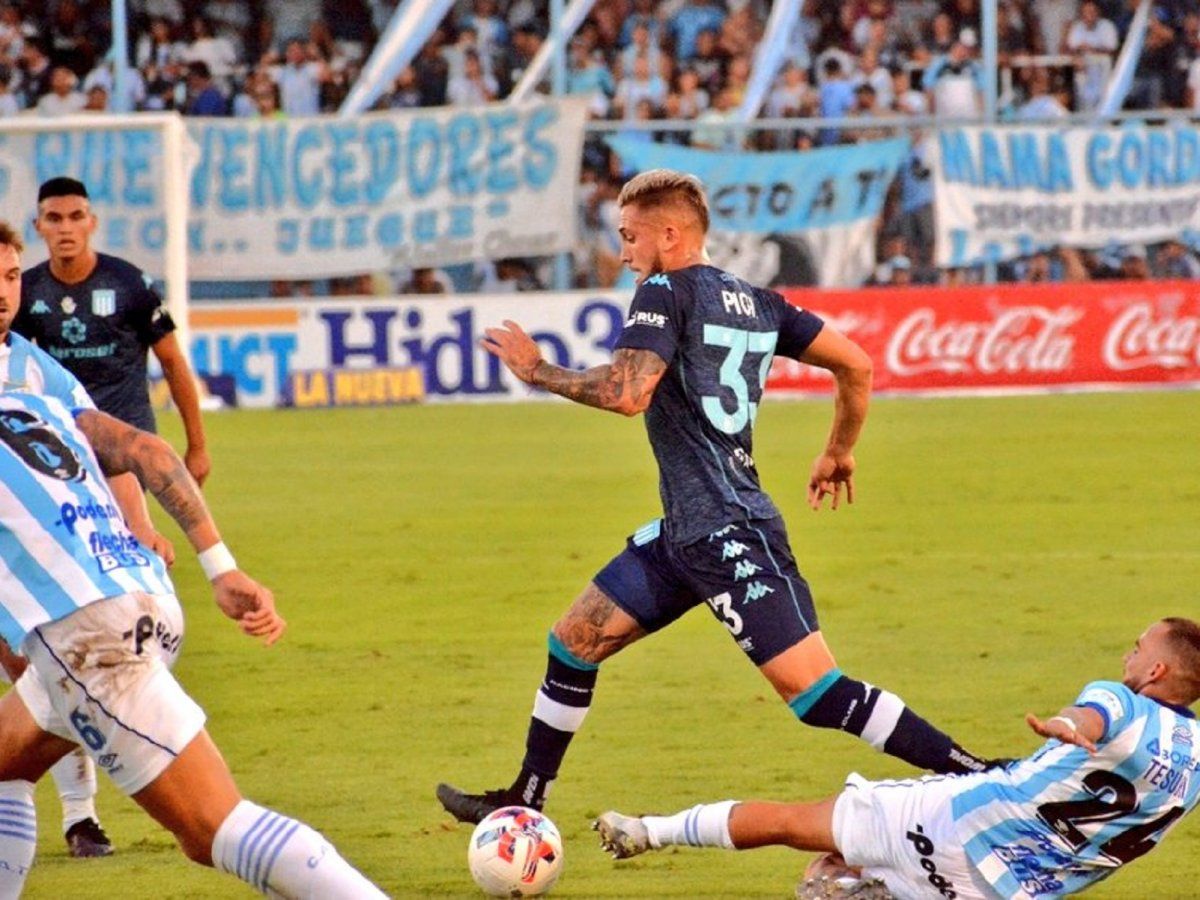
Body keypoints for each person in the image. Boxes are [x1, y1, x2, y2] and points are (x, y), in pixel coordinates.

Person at [437, 169, 993, 826]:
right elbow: (857, 364)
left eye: (629, 236)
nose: (623, 253)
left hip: (728, 532)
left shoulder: (662, 291)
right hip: (687, 532)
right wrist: (839, 449)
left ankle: (988, 777)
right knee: (574, 640)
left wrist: (537, 370)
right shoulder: (761, 301)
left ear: (669, 234)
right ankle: (524, 798)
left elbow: (627, 392)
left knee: (816, 695)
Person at [0, 275, 386, 897]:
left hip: (89, 637)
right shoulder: (35, 391)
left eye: (11, 274)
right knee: (4, 763)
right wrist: (221, 567)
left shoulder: (33, 368)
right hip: (142, 596)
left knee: (213, 829)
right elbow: (147, 450)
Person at [595, 617, 1200, 900]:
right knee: (841, 874)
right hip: (1014, 889)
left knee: (801, 829)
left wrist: (1066, 726)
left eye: (1138, 646)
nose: (1128, 653)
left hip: (957, 819)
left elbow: (1090, 718)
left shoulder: (1118, 700)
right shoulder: (1193, 766)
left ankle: (647, 831)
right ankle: (877, 887)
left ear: (1156, 670)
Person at [0, 220, 122, 857]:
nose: (3, 292)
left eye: (13, 277)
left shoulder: (36, 369)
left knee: (45, 686)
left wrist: (142, 530)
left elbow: (101, 450)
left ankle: (80, 816)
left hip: (23, 561)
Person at [17, 177, 211, 561]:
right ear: (38, 226)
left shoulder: (128, 283)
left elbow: (172, 361)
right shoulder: (27, 289)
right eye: (54, 218)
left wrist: (198, 446)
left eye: (76, 217)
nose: (66, 228)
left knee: (126, 535)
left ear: (93, 222)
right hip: (67, 432)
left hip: (127, 432)